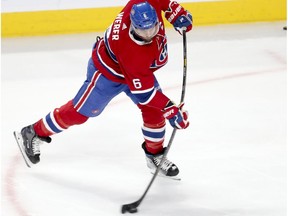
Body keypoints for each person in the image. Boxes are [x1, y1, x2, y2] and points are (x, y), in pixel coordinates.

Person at [13, 0, 193, 178]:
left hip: (139, 73)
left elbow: (163, 2)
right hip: (107, 75)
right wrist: (170, 107)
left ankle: (154, 156)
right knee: (79, 112)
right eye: (142, 30)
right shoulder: (130, 51)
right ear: (132, 26)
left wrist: (175, 12)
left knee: (154, 112)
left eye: (152, 27)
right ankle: (33, 132)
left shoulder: (141, 4)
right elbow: (145, 94)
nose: (148, 34)